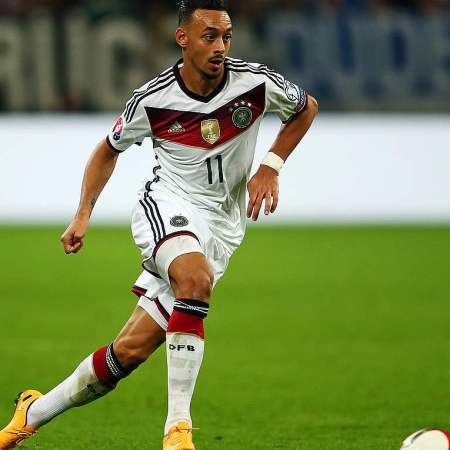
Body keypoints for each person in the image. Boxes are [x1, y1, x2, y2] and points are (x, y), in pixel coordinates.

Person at [0, 0, 318, 448]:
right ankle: (177, 429)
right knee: (195, 279)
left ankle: (31, 413)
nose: (221, 46)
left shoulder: (255, 83)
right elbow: (107, 150)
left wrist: (271, 165)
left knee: (128, 353)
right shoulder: (153, 99)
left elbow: (306, 107)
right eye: (210, 36)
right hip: (168, 205)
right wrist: (83, 213)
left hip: (222, 226)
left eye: (226, 37)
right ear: (182, 38)